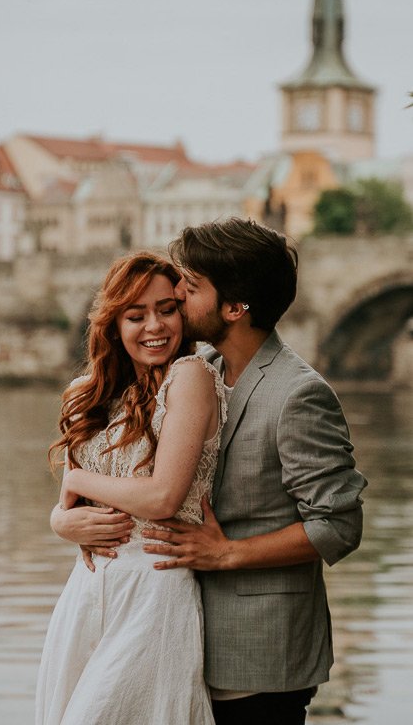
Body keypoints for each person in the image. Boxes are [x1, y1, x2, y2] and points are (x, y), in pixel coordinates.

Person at [139, 218, 367, 725]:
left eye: (191, 285)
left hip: (264, 654)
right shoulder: (203, 373)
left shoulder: (298, 393)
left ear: (235, 308)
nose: (176, 293)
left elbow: (339, 524)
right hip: (190, 638)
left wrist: (227, 553)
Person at [35, 251, 227, 725]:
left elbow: (163, 497)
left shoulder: (191, 376)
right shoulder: (89, 391)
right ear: (113, 323)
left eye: (166, 309)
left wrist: (76, 480)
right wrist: (60, 523)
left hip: (153, 588)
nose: (154, 326)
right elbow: (73, 508)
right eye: (135, 315)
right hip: (87, 590)